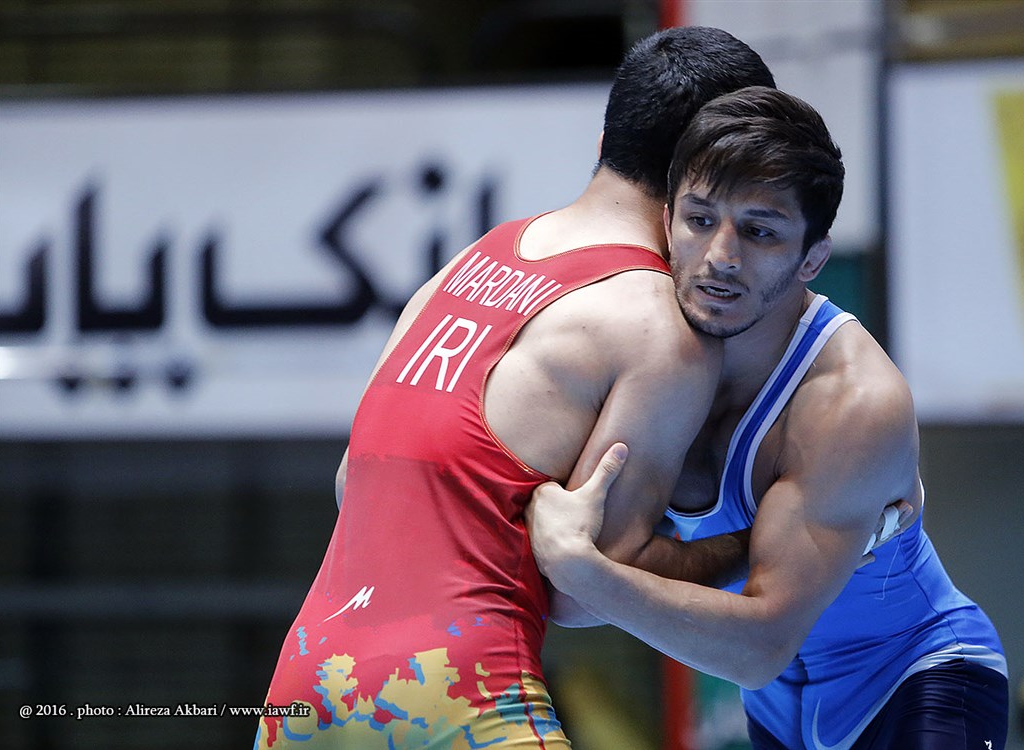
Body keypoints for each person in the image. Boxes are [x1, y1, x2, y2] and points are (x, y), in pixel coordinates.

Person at [253, 27, 780, 749]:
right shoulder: (662, 327)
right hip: (455, 691)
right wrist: (757, 543)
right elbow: (582, 587)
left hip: (308, 688)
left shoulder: (475, 257)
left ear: (606, 139)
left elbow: (353, 480)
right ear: (722, 173)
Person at [528, 86, 1009, 750]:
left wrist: (593, 574)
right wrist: (613, 571)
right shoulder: (640, 353)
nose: (721, 256)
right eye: (701, 219)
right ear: (666, 220)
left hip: (913, 681)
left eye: (759, 232)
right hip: (777, 710)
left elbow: (755, 645)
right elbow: (581, 597)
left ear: (813, 258)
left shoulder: (852, 401)